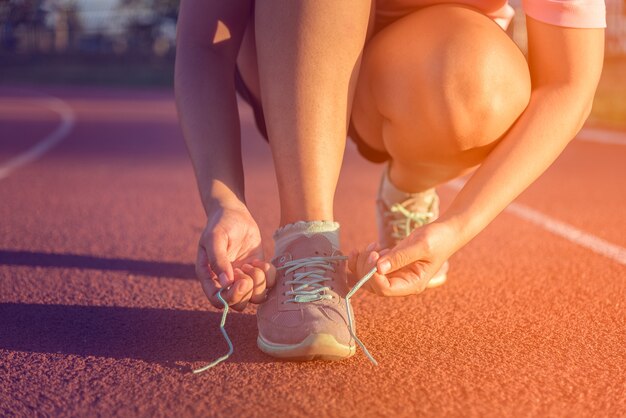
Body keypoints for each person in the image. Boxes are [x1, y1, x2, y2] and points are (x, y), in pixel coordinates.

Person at [175, 0, 605, 361]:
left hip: (420, 76)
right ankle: (305, 240)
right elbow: (202, 44)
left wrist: (456, 227)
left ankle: (410, 184)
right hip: (289, 64)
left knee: (482, 82)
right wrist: (224, 200)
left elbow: (569, 84)